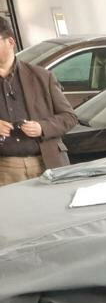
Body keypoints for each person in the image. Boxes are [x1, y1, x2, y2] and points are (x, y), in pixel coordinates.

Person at [0, 17, 77, 186]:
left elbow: (69, 117)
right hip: (4, 168)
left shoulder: (42, 76)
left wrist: (42, 127)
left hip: (46, 162)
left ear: (10, 42)